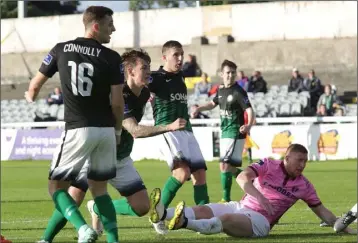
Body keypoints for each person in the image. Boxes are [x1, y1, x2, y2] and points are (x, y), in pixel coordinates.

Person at [36, 49, 187, 243]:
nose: (149, 71)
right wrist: (169, 127)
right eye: (144, 68)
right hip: (97, 152)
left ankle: (97, 208)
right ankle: (45, 239)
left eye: (149, 67)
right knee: (74, 196)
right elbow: (134, 130)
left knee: (142, 207)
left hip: (121, 157)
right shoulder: (119, 95)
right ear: (130, 71)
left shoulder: (144, 92)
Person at [26, 6, 125, 243]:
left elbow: (35, 86)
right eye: (110, 24)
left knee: (56, 186)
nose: (114, 28)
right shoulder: (112, 57)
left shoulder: (60, 49)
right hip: (105, 131)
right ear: (95, 26)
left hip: (77, 129)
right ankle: (113, 241)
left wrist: (31, 96)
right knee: (100, 190)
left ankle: (82, 228)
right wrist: (118, 130)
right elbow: (118, 104)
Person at [149, 144, 357, 238]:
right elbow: (242, 177)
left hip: (261, 222)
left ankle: (184, 223)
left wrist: (344, 226)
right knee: (205, 209)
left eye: (305, 161)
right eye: (299, 160)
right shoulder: (268, 164)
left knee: (228, 219)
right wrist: (259, 196)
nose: (302, 165)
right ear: (286, 159)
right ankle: (162, 214)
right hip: (243, 205)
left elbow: (323, 212)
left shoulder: (304, 186)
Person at [148, 40, 210, 235]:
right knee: (181, 174)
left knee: (200, 175)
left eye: (182, 54)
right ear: (164, 57)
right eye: (176, 55)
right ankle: (156, 214)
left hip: (187, 130)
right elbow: (139, 89)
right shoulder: (156, 77)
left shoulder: (181, 76)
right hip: (169, 130)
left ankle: (206, 218)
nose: (180, 58)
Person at [192, 60, 255, 203]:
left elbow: (249, 110)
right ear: (222, 74)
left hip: (235, 131)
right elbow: (212, 104)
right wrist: (199, 108)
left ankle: (225, 199)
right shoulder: (220, 89)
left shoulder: (239, 91)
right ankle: (252, 181)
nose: (230, 75)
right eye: (228, 72)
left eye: (233, 72)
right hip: (225, 132)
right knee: (230, 168)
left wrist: (248, 125)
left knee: (224, 165)